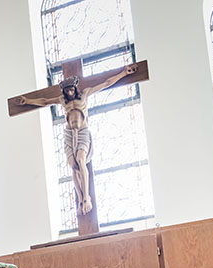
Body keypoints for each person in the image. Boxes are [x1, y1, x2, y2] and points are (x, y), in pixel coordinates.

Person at [17, 64, 138, 214]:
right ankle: (80, 198)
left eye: (72, 89)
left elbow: (106, 83)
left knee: (81, 160)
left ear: (75, 87)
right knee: (72, 164)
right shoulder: (62, 100)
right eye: (67, 90)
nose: (70, 92)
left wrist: (123, 73)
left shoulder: (85, 94)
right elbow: (45, 101)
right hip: (69, 132)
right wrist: (28, 101)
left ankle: (86, 196)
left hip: (82, 131)